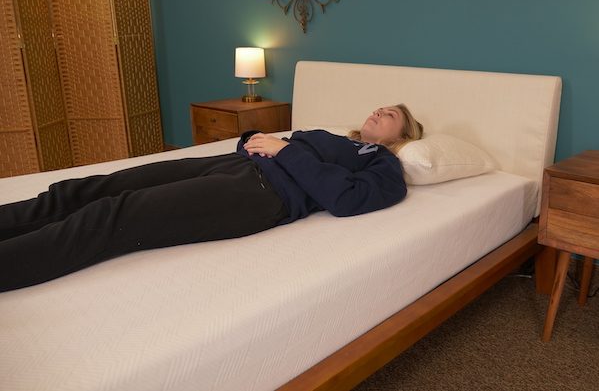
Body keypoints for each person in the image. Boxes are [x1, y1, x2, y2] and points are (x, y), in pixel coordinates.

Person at [0, 104, 423, 291]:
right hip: (234, 167)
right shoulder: (333, 136)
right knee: (98, 186)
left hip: (260, 193)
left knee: (116, 214)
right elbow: (271, 146)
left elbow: (344, 201)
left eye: (390, 115)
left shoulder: (384, 168)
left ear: (402, 136)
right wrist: (256, 142)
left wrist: (284, 150)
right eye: (379, 107)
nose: (378, 112)